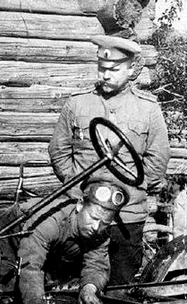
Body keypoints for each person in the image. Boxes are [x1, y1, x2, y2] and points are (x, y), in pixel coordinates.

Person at [48, 35, 170, 285]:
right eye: (101, 69)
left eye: (113, 70)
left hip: (126, 217)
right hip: (81, 212)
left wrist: (133, 189)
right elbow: (58, 151)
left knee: (119, 285)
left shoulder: (148, 109)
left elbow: (157, 161)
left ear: (130, 70)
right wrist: (75, 187)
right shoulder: (77, 103)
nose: (105, 75)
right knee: (69, 283)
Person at [0, 180, 129, 304]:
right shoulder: (49, 222)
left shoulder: (101, 232)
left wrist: (88, 290)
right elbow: (31, 267)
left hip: (50, 254)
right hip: (7, 245)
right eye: (93, 218)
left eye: (104, 223)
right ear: (80, 205)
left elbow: (97, 265)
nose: (96, 227)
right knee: (6, 296)